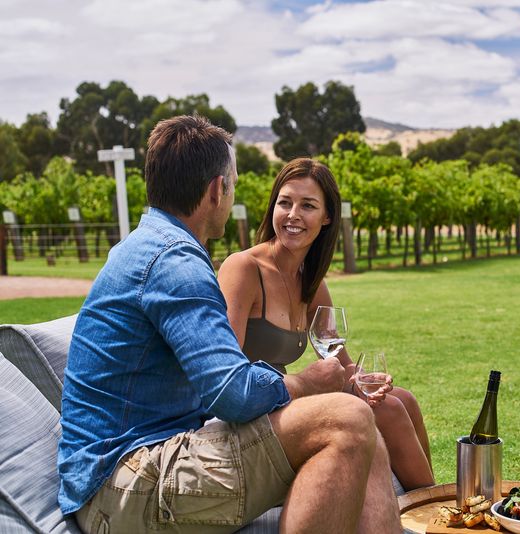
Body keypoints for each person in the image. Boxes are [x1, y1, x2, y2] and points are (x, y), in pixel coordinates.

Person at [57, 115, 402, 534]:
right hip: (123, 486)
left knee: (364, 432)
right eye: (233, 183)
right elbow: (231, 395)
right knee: (346, 419)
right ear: (217, 189)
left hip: (137, 467)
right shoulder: (173, 261)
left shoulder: (153, 246)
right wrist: (307, 384)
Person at [217, 157, 435, 491]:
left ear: (327, 216)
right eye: (285, 202)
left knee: (402, 399)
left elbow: (337, 358)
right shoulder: (244, 269)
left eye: (307, 206)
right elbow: (225, 371)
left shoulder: (312, 282)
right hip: (254, 409)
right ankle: (435, 512)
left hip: (285, 401)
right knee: (389, 410)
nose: (293, 215)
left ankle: (426, 506)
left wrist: (365, 380)